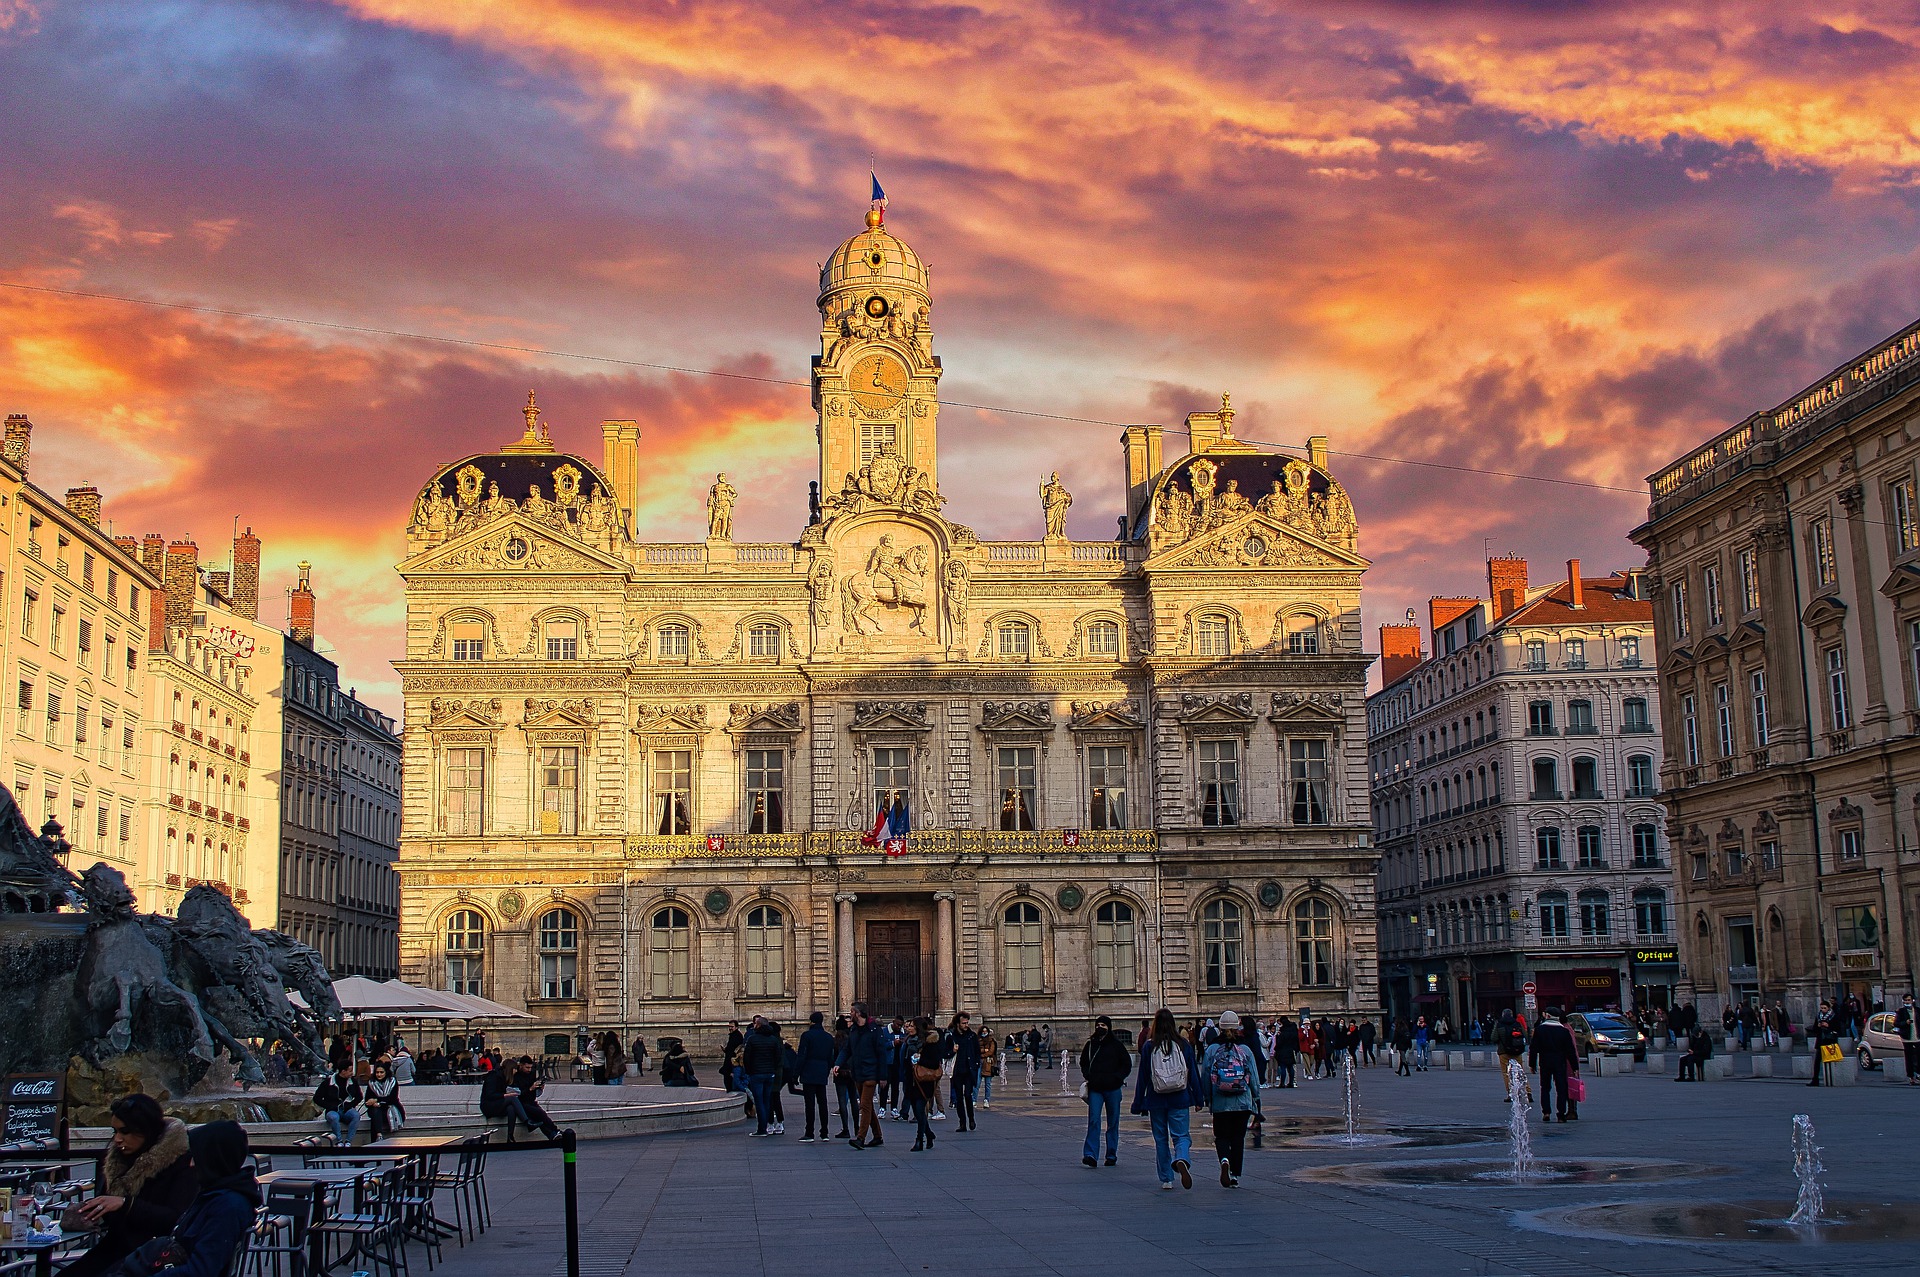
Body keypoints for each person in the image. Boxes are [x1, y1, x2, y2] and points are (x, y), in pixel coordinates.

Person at [59, 1094, 196, 1277]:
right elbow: (110, 1208)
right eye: (114, 1131)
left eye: (125, 1131)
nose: (117, 1139)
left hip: (156, 1255)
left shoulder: (181, 1162)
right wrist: (91, 1212)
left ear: (145, 1130)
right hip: (115, 1249)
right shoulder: (117, 1160)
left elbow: (177, 1217)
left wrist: (125, 1204)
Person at [132, 1121, 259, 1277]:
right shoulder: (216, 1194)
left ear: (213, 1159)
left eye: (196, 1156)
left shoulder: (227, 1206)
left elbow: (201, 1271)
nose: (191, 1164)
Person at [1132, 1008, 1200, 1191]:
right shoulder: (1183, 1044)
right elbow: (1192, 1072)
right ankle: (1182, 1159)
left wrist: (1139, 1102)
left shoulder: (1149, 1046)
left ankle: (1166, 1179)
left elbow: (1143, 1078)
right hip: (1179, 1097)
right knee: (1181, 1136)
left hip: (1156, 1098)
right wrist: (1199, 1098)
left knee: (1161, 1139)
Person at [1198, 1011, 1260, 1188]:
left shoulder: (1212, 1049)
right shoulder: (1244, 1049)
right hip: (1242, 1101)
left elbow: (1206, 1075)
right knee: (1238, 1138)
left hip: (1220, 1101)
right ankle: (1234, 1175)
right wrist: (1255, 1097)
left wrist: (1207, 1098)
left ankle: (1224, 1160)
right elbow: (1253, 1076)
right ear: (1237, 1027)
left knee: (1222, 1136)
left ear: (1219, 1027)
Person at [1079, 1015, 1133, 1168]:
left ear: (1109, 1027)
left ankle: (1111, 1154)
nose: (1100, 1028)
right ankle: (1090, 1155)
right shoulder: (1090, 1045)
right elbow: (1083, 1062)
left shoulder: (1116, 1045)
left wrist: (1117, 1078)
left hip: (1113, 1089)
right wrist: (1088, 1075)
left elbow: (1126, 1064)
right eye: (1098, 1025)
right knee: (1094, 1120)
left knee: (1113, 1123)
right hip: (1096, 1088)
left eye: (1103, 1025)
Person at [837, 1002, 890, 1150]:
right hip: (858, 1073)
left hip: (871, 1073)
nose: (850, 1014)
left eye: (852, 1011)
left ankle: (860, 1138)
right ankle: (878, 1135)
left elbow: (881, 1054)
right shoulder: (853, 1030)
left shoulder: (874, 1030)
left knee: (864, 1105)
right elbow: (847, 1050)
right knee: (868, 1107)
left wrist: (883, 1076)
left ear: (858, 1013)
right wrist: (837, 1064)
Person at [480, 1055, 561, 1140]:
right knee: (535, 1111)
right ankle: (528, 1122)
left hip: (519, 1101)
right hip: (491, 1104)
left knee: (513, 1108)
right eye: (527, 1067)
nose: (516, 1071)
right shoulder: (495, 1076)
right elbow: (490, 1095)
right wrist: (507, 1094)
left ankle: (510, 1137)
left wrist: (537, 1089)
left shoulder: (511, 1076)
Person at [1529, 1007, 1581, 1122]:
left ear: (1547, 1016)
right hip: (1560, 1063)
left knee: (1545, 1087)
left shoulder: (1539, 1030)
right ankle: (1561, 1114)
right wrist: (1575, 1067)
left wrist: (1532, 1064)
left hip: (1545, 1062)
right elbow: (1570, 1051)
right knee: (1561, 1088)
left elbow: (1533, 1048)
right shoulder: (1564, 1031)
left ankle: (1546, 1112)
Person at [796, 1011, 838, 1141]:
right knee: (822, 1102)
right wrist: (827, 1068)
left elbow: (802, 1055)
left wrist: (795, 1073)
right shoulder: (828, 1037)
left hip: (809, 1070)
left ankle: (809, 1132)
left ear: (811, 1021)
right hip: (822, 1071)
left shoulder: (807, 1035)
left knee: (810, 1104)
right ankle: (824, 1132)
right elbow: (831, 1056)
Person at [907, 1019, 947, 1152]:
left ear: (918, 1028)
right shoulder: (908, 1041)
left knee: (919, 1109)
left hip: (925, 1081)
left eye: (912, 1026)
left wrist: (919, 1059)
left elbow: (935, 1062)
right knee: (918, 1112)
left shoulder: (931, 1042)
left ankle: (920, 1140)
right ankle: (929, 1134)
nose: (908, 1028)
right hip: (911, 1080)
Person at [742, 1016, 785, 1136]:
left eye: (755, 1023)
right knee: (766, 1100)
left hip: (756, 1074)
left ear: (759, 1025)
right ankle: (767, 1125)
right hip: (769, 1073)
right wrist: (772, 1069)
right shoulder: (773, 1039)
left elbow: (747, 1057)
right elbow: (778, 1057)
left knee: (759, 1101)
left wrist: (749, 1071)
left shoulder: (752, 1039)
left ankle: (762, 1128)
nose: (753, 1025)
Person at [946, 1012, 981, 1132]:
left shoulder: (971, 1036)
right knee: (959, 1098)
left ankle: (971, 1119)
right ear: (957, 1024)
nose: (966, 1025)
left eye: (967, 1023)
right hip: (957, 1071)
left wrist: (976, 1065)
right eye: (963, 1023)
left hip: (969, 1070)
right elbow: (945, 1054)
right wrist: (952, 1051)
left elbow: (977, 1052)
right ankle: (962, 1123)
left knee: (968, 1095)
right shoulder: (951, 1037)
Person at [313, 1063, 362, 1144]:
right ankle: (338, 1141)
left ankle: (348, 1141)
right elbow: (317, 1098)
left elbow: (359, 1097)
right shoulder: (327, 1083)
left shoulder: (353, 1082)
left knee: (356, 1116)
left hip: (347, 1109)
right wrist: (329, 1106)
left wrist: (351, 1104)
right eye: (350, 1071)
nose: (352, 1073)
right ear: (343, 1071)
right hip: (332, 1110)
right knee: (334, 1117)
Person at [364, 1061, 405, 1138]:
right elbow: (367, 1100)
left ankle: (376, 1137)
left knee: (376, 1114)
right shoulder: (372, 1083)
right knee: (375, 1112)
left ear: (386, 1072)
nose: (379, 1074)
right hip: (376, 1110)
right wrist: (373, 1102)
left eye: (381, 1072)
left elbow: (392, 1098)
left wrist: (377, 1101)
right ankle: (378, 1135)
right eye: (377, 1072)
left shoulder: (392, 1081)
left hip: (391, 1107)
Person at [1494, 1009, 1528, 1099]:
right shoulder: (1517, 1023)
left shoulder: (1499, 1024)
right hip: (1517, 1051)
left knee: (1506, 1073)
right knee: (1521, 1072)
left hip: (1503, 1051)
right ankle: (1528, 1092)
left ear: (1503, 1015)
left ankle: (1511, 1094)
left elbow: (1494, 1038)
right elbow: (1525, 1035)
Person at [1808, 1000, 1841, 1087]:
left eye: (1824, 1008)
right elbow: (1814, 1029)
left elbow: (1838, 1028)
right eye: (1821, 1008)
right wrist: (1818, 1026)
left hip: (1830, 1040)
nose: (1823, 1010)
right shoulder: (1818, 1016)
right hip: (1821, 1040)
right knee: (1817, 1061)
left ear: (1828, 1008)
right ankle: (1815, 1079)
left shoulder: (1833, 1016)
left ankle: (1833, 1078)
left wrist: (1828, 1026)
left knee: (1831, 1060)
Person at [1896, 993, 1920, 1085]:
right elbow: (1896, 1023)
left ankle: (1918, 1074)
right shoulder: (1901, 1012)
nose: (1907, 1002)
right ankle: (1911, 1077)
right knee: (1909, 1058)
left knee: (1919, 1057)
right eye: (1905, 1000)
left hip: (1917, 1037)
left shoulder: (1917, 1011)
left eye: (1908, 1000)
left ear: (1912, 1001)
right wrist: (1905, 1022)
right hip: (1906, 1038)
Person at [977, 1021, 998, 1108]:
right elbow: (976, 1049)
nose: (984, 1033)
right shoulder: (977, 1040)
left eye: (986, 1031)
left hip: (988, 1063)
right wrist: (983, 1051)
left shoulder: (991, 1041)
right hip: (979, 1063)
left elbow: (991, 1052)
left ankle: (986, 1100)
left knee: (988, 1084)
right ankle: (974, 1100)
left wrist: (982, 1054)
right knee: (977, 1083)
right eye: (983, 1031)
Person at [1274, 1017, 1299, 1088]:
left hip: (1283, 1050)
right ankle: (1291, 1082)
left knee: (1283, 1067)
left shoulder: (1283, 1031)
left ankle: (1282, 1083)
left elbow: (1279, 1042)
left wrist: (1276, 1048)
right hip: (1291, 1050)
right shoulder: (1293, 1029)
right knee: (1290, 1067)